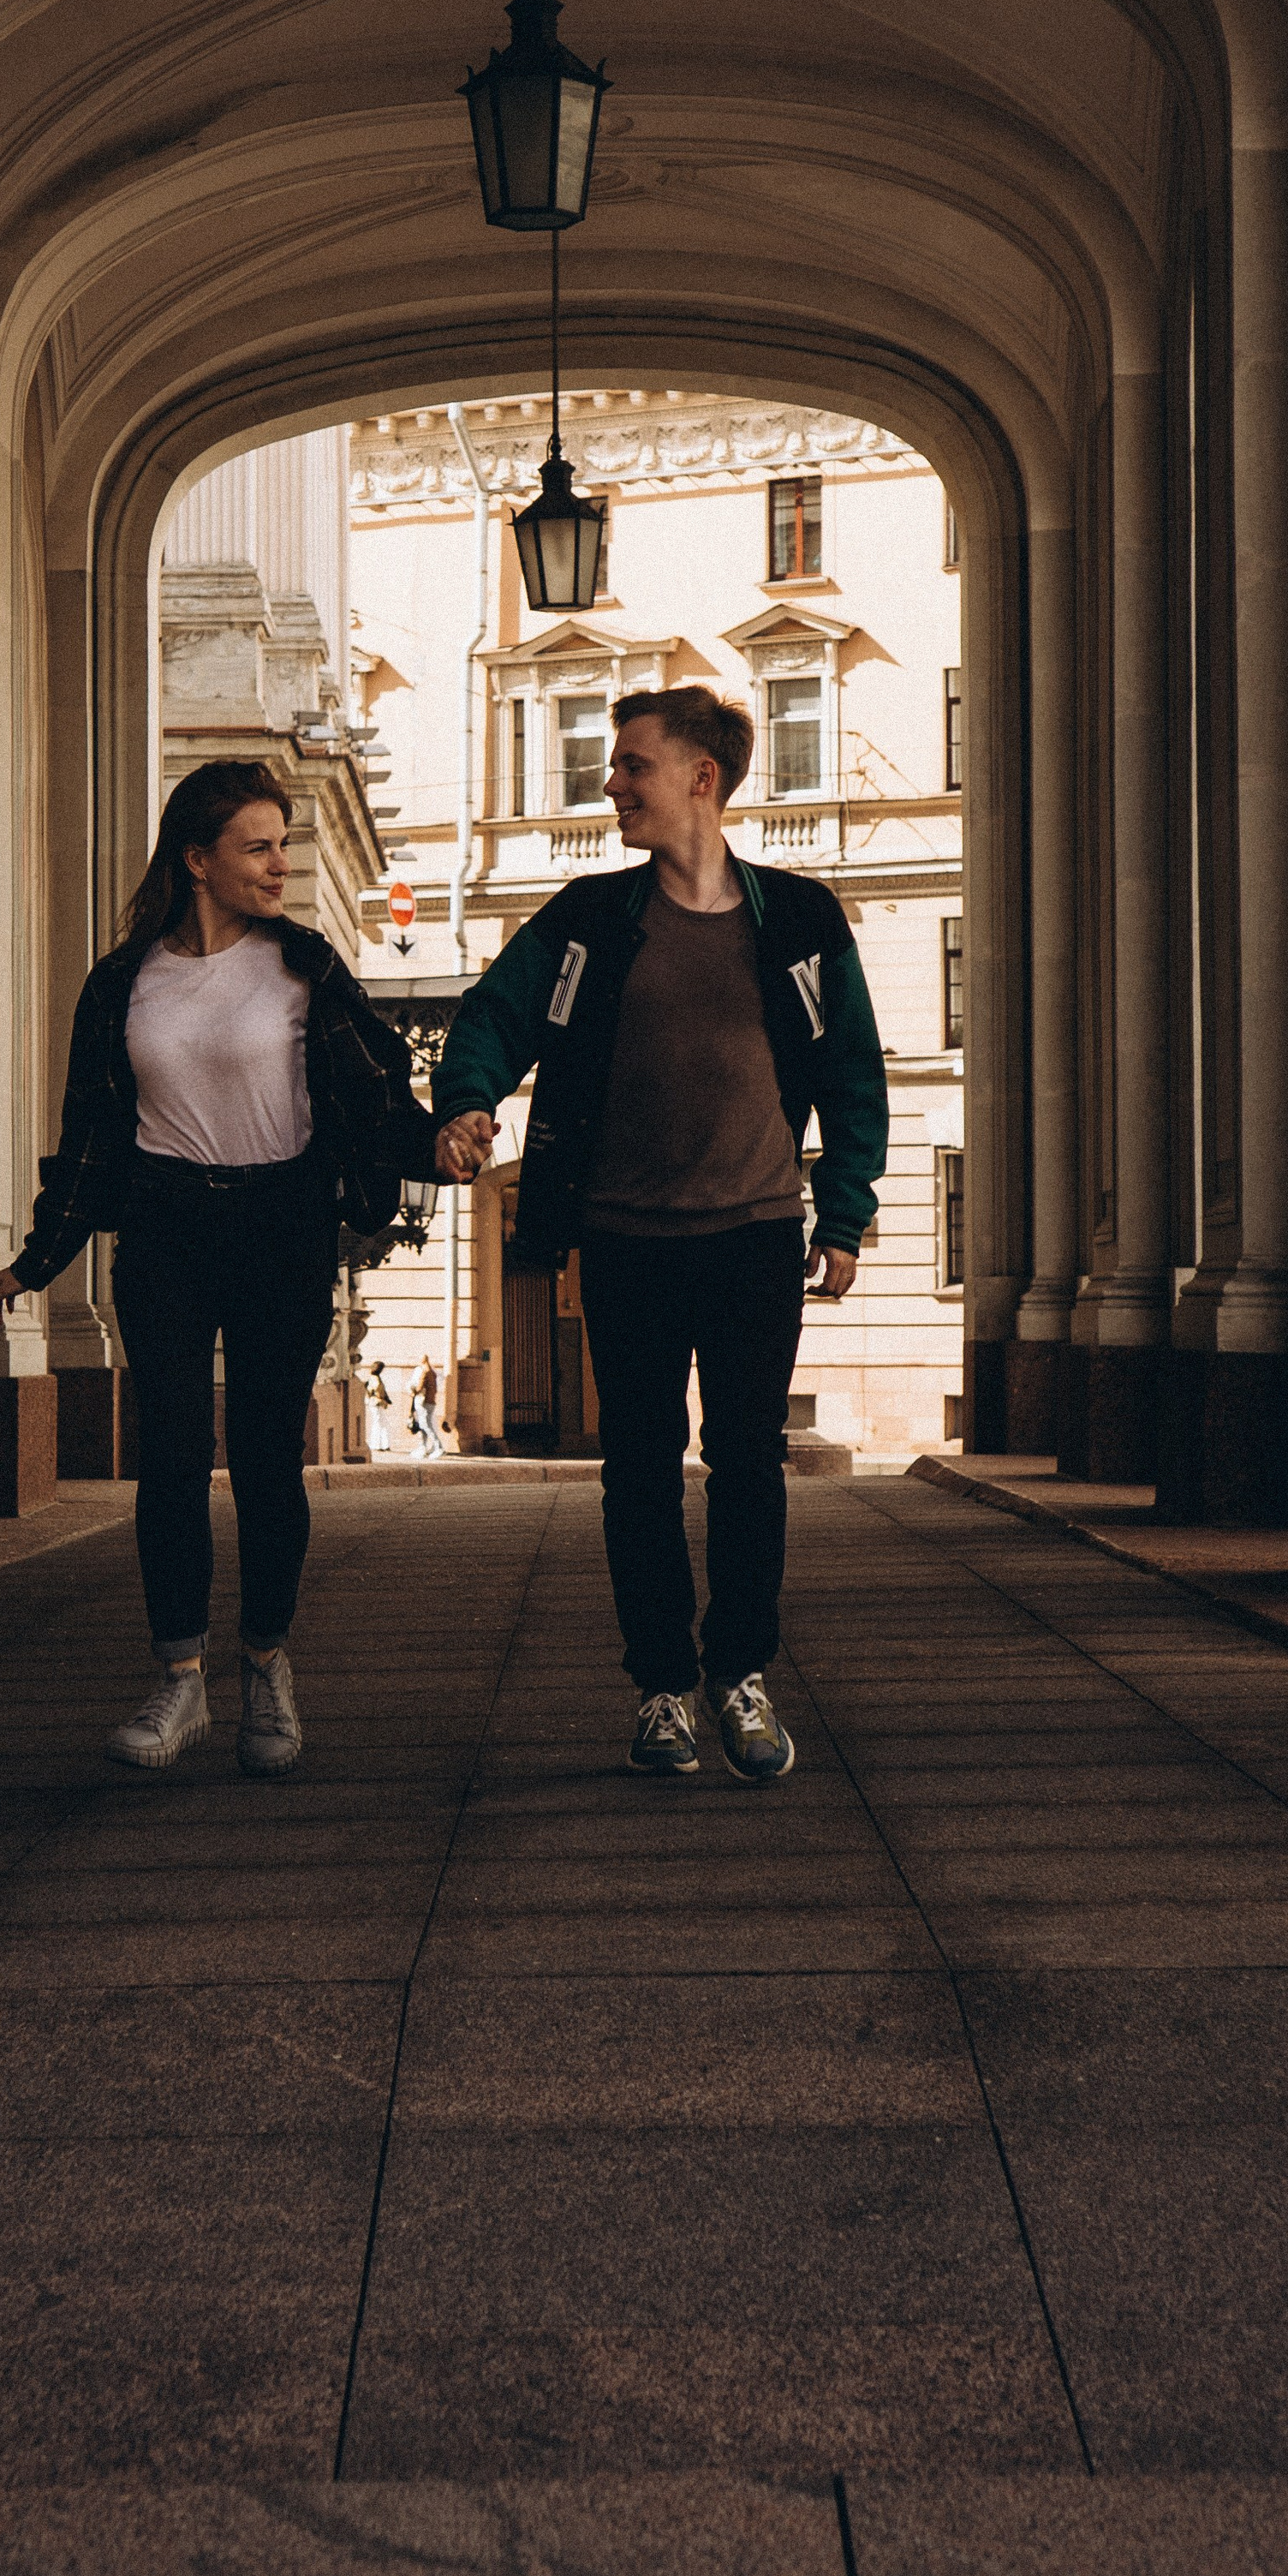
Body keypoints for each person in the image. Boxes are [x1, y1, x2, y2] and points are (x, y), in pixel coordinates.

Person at [432, 685, 886, 1784]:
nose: (611, 781)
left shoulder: (801, 921)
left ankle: (737, 1673)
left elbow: (851, 1071)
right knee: (635, 1468)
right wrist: (467, 1097)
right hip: (625, 1240)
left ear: (701, 779)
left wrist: (848, 1211)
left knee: (747, 1463)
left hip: (754, 1238)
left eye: (632, 763)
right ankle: (659, 1691)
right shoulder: (589, 919)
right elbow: (494, 1013)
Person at [0, 759, 439, 1777]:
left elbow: (374, 1100)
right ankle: (179, 1679)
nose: (281, 866)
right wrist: (36, 1259)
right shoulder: (123, 982)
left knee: (270, 1463)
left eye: (284, 845)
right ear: (198, 860)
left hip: (281, 1228)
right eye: (258, 847)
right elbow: (91, 1136)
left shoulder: (305, 967)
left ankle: (266, 1664)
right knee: (175, 1458)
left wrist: (441, 1143)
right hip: (167, 1232)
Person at [408, 1354, 444, 1460]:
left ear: (422, 1360)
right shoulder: (432, 1372)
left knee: (426, 1425)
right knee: (424, 1425)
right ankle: (423, 1448)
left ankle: (439, 1447)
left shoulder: (425, 1372)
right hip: (431, 1402)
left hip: (424, 1402)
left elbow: (419, 1387)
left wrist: (413, 1391)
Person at [363, 1360, 393, 1458]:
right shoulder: (374, 1378)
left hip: (378, 1403)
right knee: (378, 1423)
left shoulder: (376, 1378)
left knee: (383, 1423)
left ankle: (384, 1444)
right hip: (375, 1403)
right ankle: (376, 1444)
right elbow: (375, 1391)